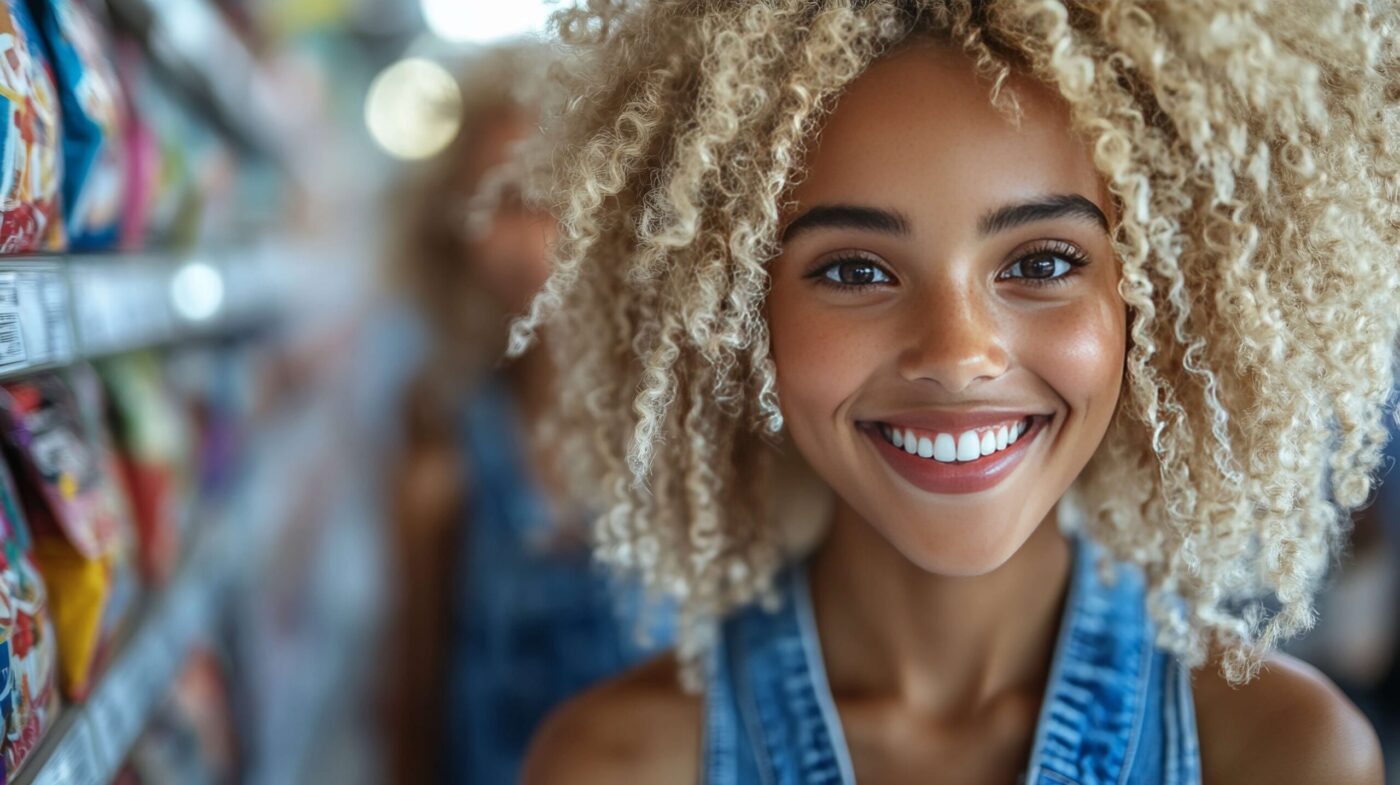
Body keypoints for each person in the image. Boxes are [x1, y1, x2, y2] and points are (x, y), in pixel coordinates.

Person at [510, 2, 1400, 783]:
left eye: (1043, 262)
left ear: (1162, 301)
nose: (957, 352)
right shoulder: (616, 765)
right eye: (856, 269)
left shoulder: (1286, 757)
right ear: (736, 318)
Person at [384, 40, 667, 785]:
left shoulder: (695, 428)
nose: (534, 238)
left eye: (558, 196)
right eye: (498, 201)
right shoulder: (447, 430)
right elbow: (415, 687)